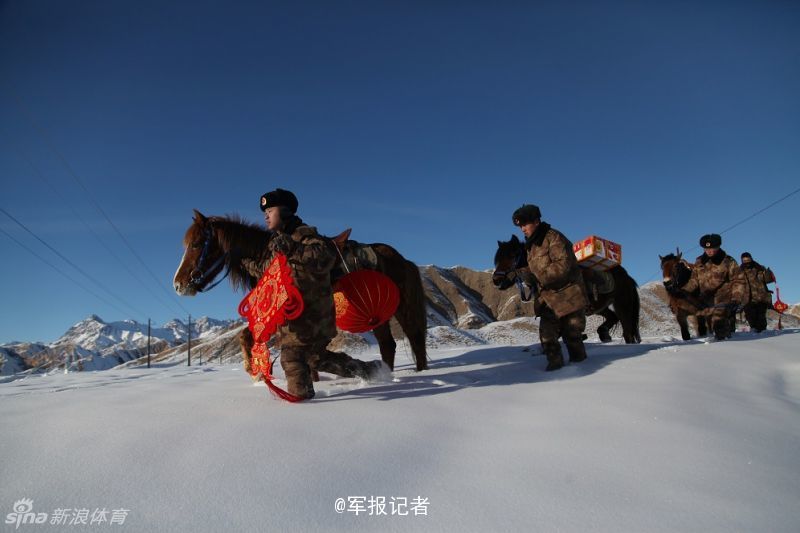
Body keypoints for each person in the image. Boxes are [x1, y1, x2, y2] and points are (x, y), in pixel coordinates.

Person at [242, 188, 384, 399]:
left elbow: (324, 258)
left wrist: (292, 248)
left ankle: (303, 403)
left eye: (270, 210)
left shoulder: (307, 237)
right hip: (296, 322)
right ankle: (370, 371)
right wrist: (246, 263)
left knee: (291, 358)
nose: (265, 215)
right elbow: (270, 270)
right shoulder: (280, 243)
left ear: (286, 212)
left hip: (312, 318)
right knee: (317, 359)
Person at [512, 204, 589, 371]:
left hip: (569, 297)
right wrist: (520, 273)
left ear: (536, 221)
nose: (522, 229)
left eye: (525, 224)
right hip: (548, 300)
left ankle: (583, 374)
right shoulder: (530, 247)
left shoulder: (554, 238)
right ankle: (555, 373)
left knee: (572, 337)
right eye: (520, 226)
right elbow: (535, 270)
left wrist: (537, 276)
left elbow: (563, 265)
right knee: (547, 338)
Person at [681, 234, 746, 340]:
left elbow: (738, 280)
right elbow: (694, 281)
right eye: (706, 248)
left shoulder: (728, 261)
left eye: (712, 248)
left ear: (718, 246)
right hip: (705, 301)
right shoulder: (699, 261)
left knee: (719, 324)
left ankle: (725, 346)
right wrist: (683, 292)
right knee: (706, 327)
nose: (709, 251)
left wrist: (736, 298)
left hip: (724, 299)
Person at [740, 252, 774, 332]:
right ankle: (754, 333)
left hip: (761, 297)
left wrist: (769, 273)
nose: (747, 262)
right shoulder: (739, 271)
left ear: (751, 258)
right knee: (750, 317)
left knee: (761, 317)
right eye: (744, 260)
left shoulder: (760, 268)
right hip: (747, 299)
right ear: (742, 261)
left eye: (748, 259)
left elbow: (768, 280)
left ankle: (762, 332)